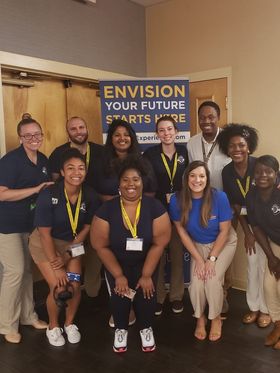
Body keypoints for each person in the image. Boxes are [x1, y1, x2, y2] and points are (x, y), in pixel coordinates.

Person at [90, 158, 171, 353]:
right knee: (119, 298)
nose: (130, 184)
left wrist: (146, 275)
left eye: (135, 179)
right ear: (119, 183)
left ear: (142, 182)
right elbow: (100, 246)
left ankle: (146, 328)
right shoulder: (106, 209)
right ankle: (121, 329)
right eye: (125, 180)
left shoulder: (155, 207)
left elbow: (160, 242)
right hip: (117, 263)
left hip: (146, 262)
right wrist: (118, 275)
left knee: (147, 296)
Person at [29, 148, 100, 346]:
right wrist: (58, 265)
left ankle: (69, 323)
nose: (76, 172)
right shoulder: (49, 194)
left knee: (75, 285)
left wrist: (70, 251)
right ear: (62, 172)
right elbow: (44, 234)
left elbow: (87, 226)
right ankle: (53, 326)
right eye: (71, 168)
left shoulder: (90, 195)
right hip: (45, 243)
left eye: (81, 168)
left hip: (74, 244)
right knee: (59, 287)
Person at [169, 161, 237, 341]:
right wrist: (199, 259)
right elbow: (182, 232)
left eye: (201, 176)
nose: (197, 180)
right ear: (186, 178)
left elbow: (225, 231)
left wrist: (211, 259)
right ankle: (200, 318)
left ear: (207, 178)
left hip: (223, 243)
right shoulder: (176, 200)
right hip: (197, 244)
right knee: (197, 283)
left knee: (212, 279)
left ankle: (215, 318)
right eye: (192, 176)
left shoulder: (219, 197)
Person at [0, 118, 53, 344]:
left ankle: (28, 316)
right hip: (8, 226)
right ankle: (7, 325)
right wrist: (36, 190)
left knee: (28, 272)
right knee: (15, 272)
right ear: (20, 138)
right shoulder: (10, 161)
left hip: (30, 225)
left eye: (37, 134)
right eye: (28, 135)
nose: (34, 139)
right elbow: (2, 194)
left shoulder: (43, 159)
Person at [218, 124, 271, 328]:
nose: (237, 149)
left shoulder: (261, 166)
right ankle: (254, 307)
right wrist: (247, 233)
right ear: (227, 149)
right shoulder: (227, 172)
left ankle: (267, 309)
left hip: (267, 225)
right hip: (247, 223)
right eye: (232, 146)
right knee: (252, 265)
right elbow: (236, 206)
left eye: (241, 145)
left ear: (249, 147)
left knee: (265, 268)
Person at [49, 116, 104, 300]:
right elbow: (55, 181)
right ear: (68, 133)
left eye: (81, 127)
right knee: (74, 252)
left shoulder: (100, 151)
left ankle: (92, 291)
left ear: (87, 128)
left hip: (95, 211)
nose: (78, 131)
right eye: (73, 129)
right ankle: (71, 291)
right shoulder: (58, 153)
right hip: (69, 216)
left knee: (96, 250)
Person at [143, 115, 188, 315]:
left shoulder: (185, 152)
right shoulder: (150, 154)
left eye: (170, 129)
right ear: (157, 133)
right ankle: (158, 297)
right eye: (162, 130)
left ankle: (177, 296)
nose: (166, 133)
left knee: (178, 255)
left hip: (179, 212)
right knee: (158, 257)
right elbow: (146, 182)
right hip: (157, 212)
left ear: (176, 131)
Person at [246, 155, 280, 350]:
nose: (263, 175)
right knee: (269, 286)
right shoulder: (251, 196)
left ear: (276, 175)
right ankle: (278, 325)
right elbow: (256, 227)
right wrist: (272, 258)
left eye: (268, 171)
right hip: (274, 244)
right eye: (258, 171)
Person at [187, 101, 230, 190]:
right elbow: (190, 172)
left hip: (225, 197)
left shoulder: (229, 139)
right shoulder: (192, 143)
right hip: (200, 196)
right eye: (202, 118)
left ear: (218, 117)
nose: (206, 121)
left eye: (211, 117)